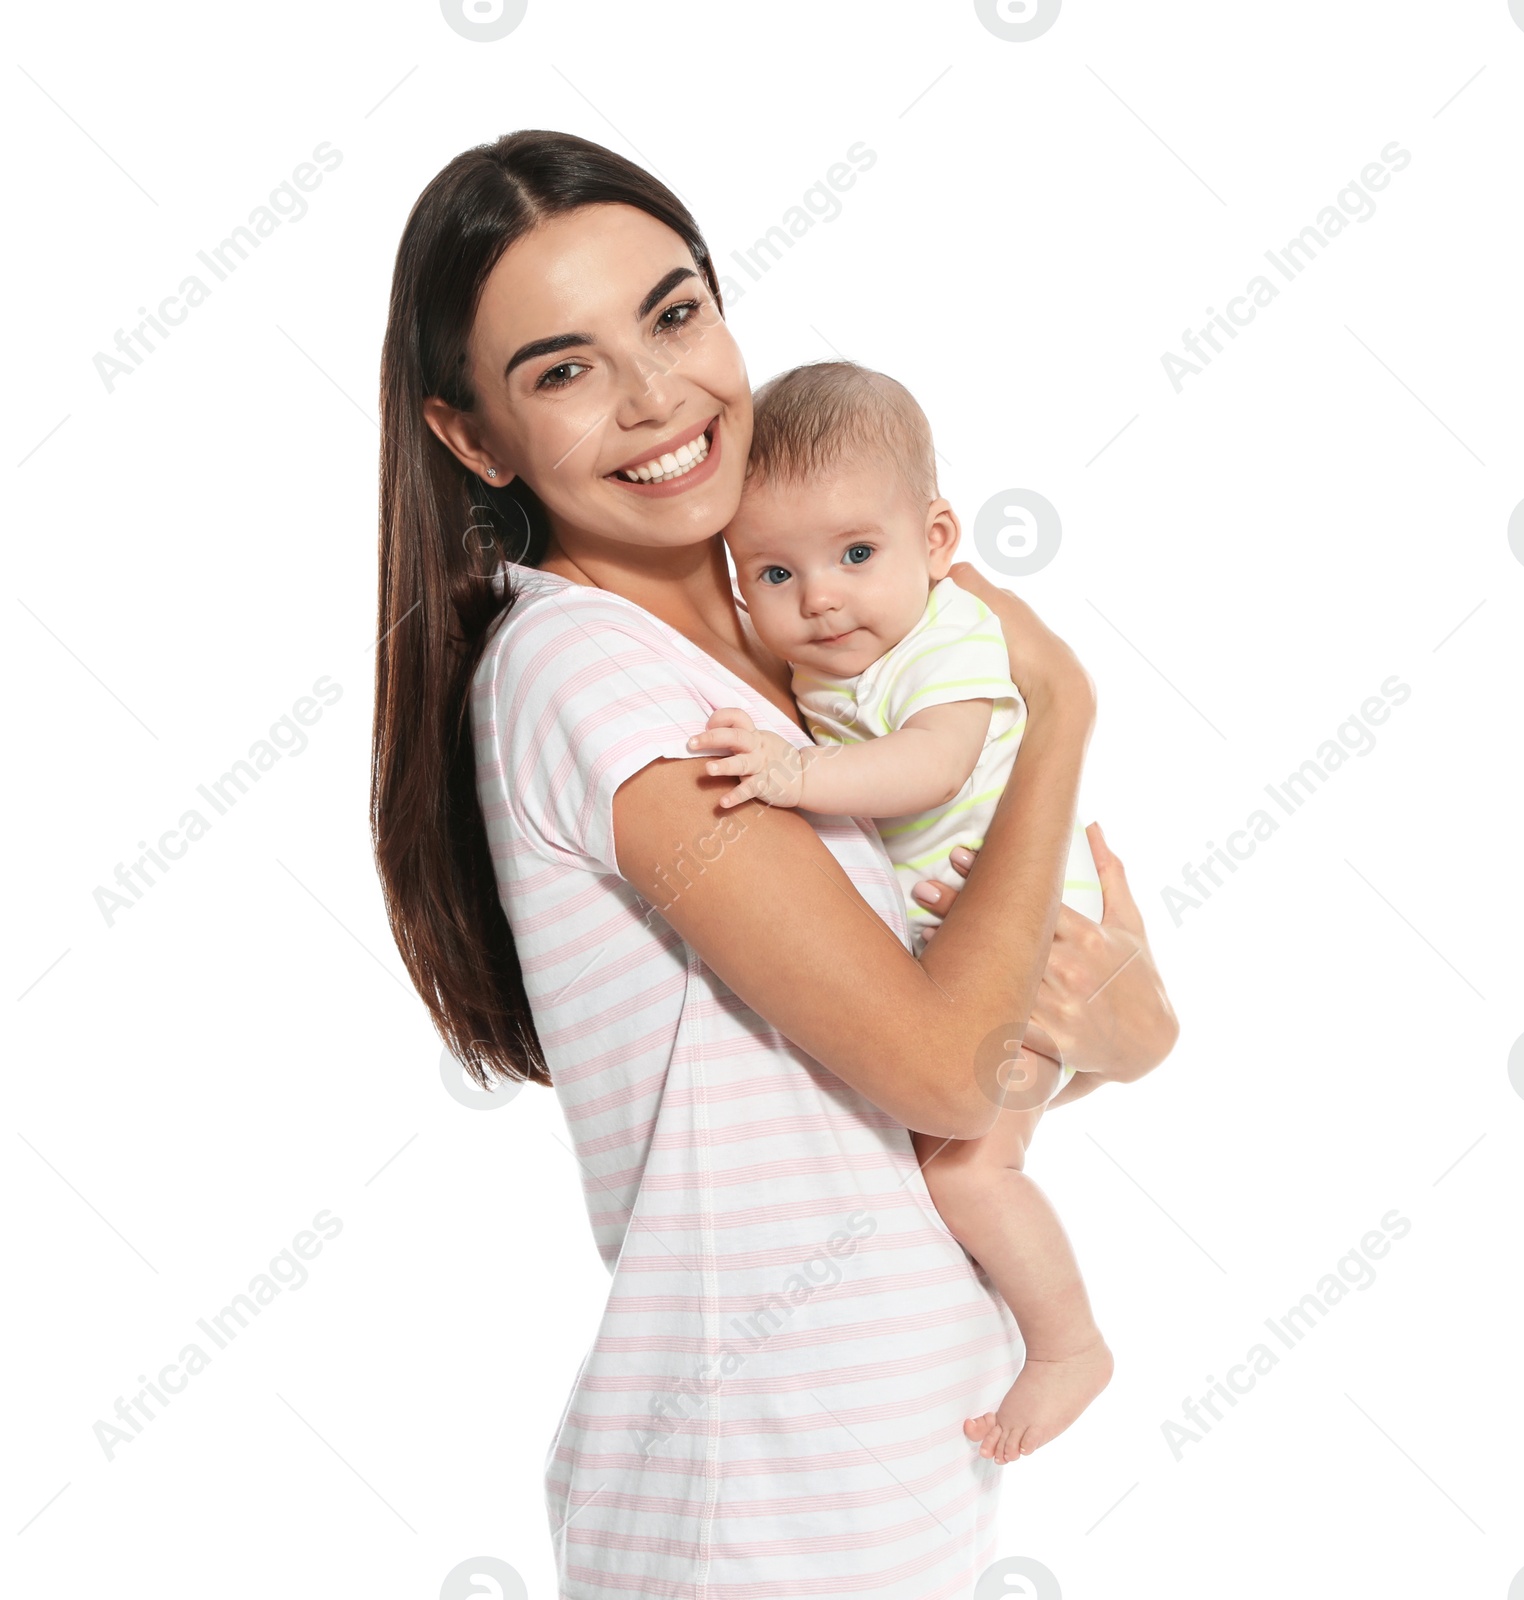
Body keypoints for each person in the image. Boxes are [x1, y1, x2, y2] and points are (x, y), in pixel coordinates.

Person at [372, 128, 1178, 1597]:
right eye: (562, 371)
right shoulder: (586, 675)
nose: (657, 395)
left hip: (887, 1465)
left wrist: (1125, 1038)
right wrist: (1053, 709)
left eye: (674, 315)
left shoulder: (793, 651)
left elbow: (969, 1006)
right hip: (752, 1496)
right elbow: (939, 1067)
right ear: (475, 440)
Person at [700, 358, 1121, 1463]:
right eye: (775, 572)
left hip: (1036, 968)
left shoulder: (948, 640)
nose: (820, 596)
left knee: (967, 1170)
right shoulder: (828, 660)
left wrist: (793, 777)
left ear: (935, 540)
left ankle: (1069, 1344)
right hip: (963, 960)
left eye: (854, 554)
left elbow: (932, 767)